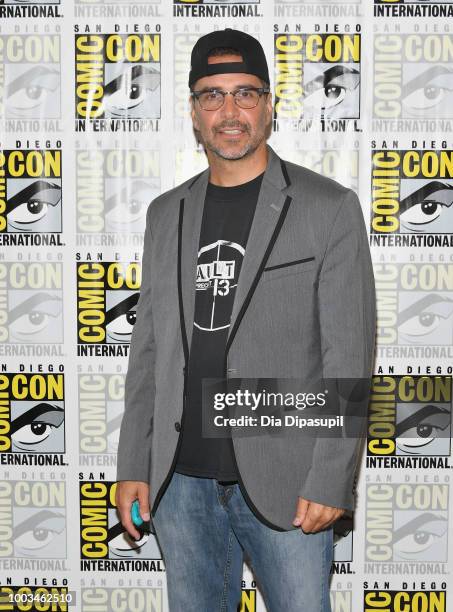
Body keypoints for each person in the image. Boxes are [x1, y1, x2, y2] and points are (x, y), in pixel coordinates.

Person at [116, 28, 376, 611]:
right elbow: (150, 350)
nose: (229, 111)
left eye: (245, 94)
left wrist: (331, 479)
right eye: (212, 95)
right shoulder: (166, 213)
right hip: (180, 484)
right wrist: (135, 463)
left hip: (288, 482)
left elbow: (348, 355)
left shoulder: (328, 208)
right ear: (193, 111)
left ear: (269, 106)